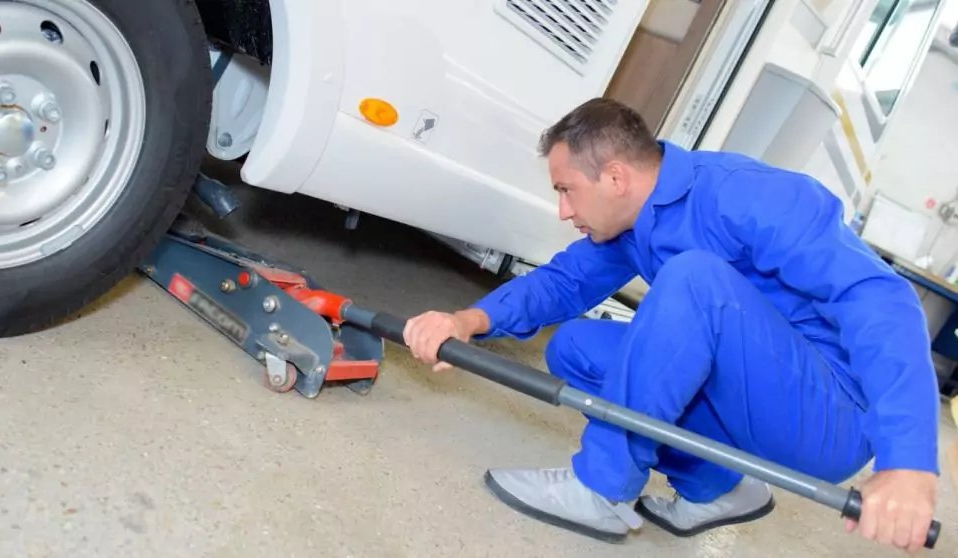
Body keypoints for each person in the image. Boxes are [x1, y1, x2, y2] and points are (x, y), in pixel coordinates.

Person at [403, 98, 940, 551]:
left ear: (615, 177)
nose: (563, 211)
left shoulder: (743, 194)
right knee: (577, 348)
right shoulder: (632, 222)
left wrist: (909, 461)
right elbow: (564, 283)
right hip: (752, 397)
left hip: (832, 417)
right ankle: (716, 487)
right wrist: (467, 320)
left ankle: (602, 490)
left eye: (566, 190)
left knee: (695, 280)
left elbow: (881, 299)